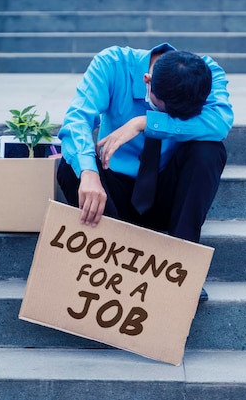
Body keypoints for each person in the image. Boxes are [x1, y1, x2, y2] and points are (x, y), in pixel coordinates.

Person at [57, 43, 234, 301]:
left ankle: (181, 267)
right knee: (71, 166)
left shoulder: (207, 72)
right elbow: (76, 120)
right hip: (113, 196)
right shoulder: (112, 63)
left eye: (177, 117)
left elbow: (219, 123)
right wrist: (89, 174)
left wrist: (146, 122)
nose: (168, 117)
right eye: (164, 110)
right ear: (147, 81)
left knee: (209, 150)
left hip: (168, 196)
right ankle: (115, 267)